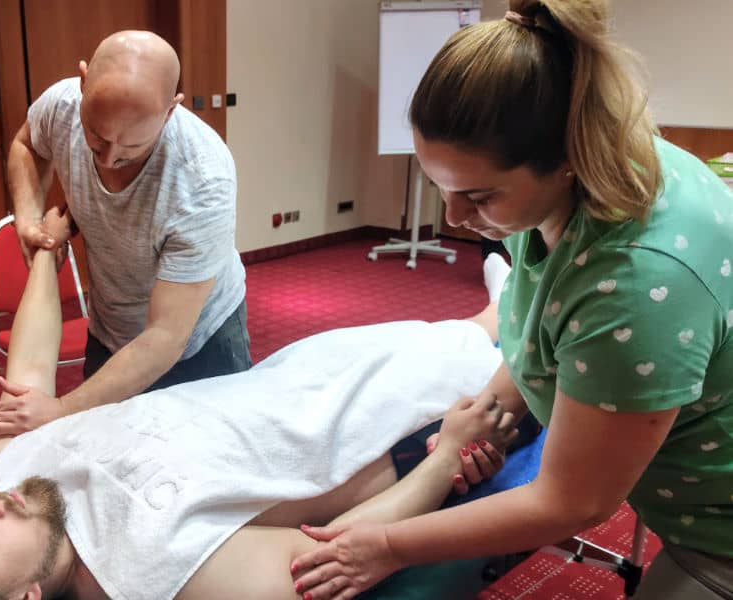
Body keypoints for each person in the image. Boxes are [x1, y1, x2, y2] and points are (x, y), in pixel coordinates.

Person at [290, 1, 733, 598]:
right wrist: (489, 415)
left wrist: (388, 546)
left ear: (568, 161)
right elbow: (539, 315)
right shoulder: (578, 172)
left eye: (478, 196)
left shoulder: (636, 283)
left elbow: (575, 501)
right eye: (439, 186)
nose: (453, 216)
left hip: (715, 525)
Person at [0, 211, 519, 600]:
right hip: (378, 423)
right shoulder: (144, 576)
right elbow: (339, 556)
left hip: (291, 374)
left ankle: (501, 297)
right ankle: (516, 297)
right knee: (506, 348)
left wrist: (48, 253)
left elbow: (28, 364)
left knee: (470, 326)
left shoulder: (8, 472)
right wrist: (443, 462)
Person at [0, 30, 250, 450]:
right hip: (112, 326)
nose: (107, 159)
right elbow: (27, 143)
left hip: (198, 341)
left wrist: (62, 409)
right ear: (83, 81)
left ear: (170, 110)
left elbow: (164, 337)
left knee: (203, 460)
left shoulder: (202, 180)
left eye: (132, 145)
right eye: (97, 137)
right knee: (105, 454)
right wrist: (29, 216)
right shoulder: (61, 104)